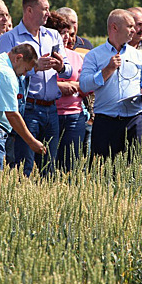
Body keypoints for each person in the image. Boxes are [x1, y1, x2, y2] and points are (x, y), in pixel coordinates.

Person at [0, 0, 72, 177]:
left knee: (49, 166)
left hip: (51, 109)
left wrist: (60, 66)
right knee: (26, 165)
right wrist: (34, 68)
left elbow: (69, 70)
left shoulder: (53, 36)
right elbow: (6, 73)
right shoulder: (10, 38)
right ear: (29, 10)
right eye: (45, 9)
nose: (48, 13)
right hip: (28, 108)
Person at [80, 9, 142, 159]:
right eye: (129, 26)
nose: (134, 30)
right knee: (103, 171)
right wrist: (107, 70)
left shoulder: (138, 56)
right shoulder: (94, 56)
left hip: (135, 120)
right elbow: (84, 85)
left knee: (136, 169)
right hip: (105, 122)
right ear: (114, 27)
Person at [45, 12, 87, 171]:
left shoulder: (76, 57)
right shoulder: (43, 56)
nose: (66, 38)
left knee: (71, 165)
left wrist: (76, 86)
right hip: (51, 113)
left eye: (68, 34)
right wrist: (59, 87)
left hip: (74, 115)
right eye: (61, 33)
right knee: (49, 164)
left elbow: (85, 85)